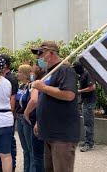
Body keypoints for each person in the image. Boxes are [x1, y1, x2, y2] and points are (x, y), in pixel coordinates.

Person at [31, 41, 80, 172]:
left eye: (40, 53)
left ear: (51, 53)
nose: (38, 57)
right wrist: (39, 121)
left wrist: (44, 88)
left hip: (62, 135)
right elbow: (43, 99)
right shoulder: (49, 72)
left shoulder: (65, 70)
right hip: (49, 132)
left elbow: (69, 95)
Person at [0, 54, 18, 172]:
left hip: (7, 116)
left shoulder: (10, 79)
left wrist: (10, 114)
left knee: (8, 143)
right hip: (1, 116)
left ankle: (9, 167)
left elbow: (12, 98)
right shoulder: (3, 78)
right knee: (0, 143)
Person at [24, 62, 46, 172]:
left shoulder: (38, 83)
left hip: (35, 121)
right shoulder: (45, 81)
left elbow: (34, 100)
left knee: (37, 155)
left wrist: (26, 112)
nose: (32, 70)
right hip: (38, 120)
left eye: (34, 67)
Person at [73, 61, 97, 152]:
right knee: (86, 122)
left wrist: (80, 91)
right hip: (85, 101)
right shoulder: (82, 74)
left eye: (75, 68)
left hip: (89, 102)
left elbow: (92, 87)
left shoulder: (87, 73)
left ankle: (89, 144)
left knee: (88, 123)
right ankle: (88, 141)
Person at [16, 64, 34, 172]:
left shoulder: (31, 86)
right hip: (19, 117)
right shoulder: (20, 86)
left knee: (30, 149)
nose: (17, 74)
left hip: (26, 118)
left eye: (19, 72)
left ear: (25, 73)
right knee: (25, 149)